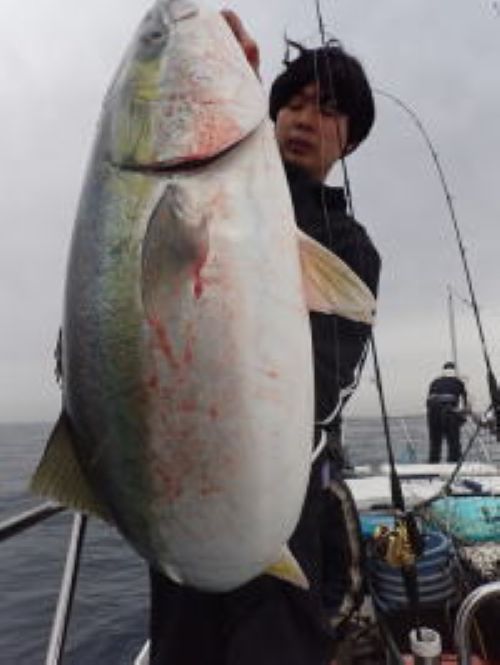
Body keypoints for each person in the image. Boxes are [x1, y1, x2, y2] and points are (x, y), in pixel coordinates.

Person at [148, 12, 380, 665]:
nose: (305, 119)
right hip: (183, 490)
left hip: (285, 501)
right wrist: (220, 95)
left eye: (328, 110)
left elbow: (320, 381)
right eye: (294, 103)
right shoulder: (203, 193)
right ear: (269, 114)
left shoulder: (350, 249)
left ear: (350, 140)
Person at [426, 361, 468, 463]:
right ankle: (453, 465)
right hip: (449, 411)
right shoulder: (459, 382)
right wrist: (462, 417)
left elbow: (429, 401)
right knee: (453, 444)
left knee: (435, 443)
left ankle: (433, 465)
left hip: (433, 412)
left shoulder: (434, 382)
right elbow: (465, 404)